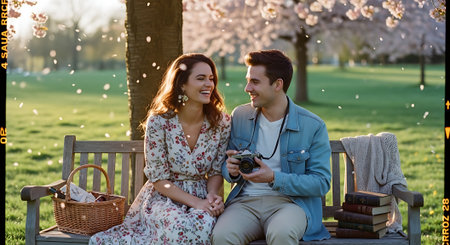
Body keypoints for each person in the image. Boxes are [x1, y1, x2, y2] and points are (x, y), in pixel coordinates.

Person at [90, 53, 231, 245]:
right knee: (176, 227)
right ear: (182, 84)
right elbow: (158, 179)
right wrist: (196, 203)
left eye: (211, 79)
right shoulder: (159, 122)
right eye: (201, 78)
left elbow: (216, 171)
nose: (209, 84)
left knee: (204, 225)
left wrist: (212, 197)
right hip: (163, 198)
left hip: (202, 195)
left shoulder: (221, 122)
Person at [211, 49, 331, 245]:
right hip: (244, 203)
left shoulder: (312, 125)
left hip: (290, 204)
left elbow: (321, 183)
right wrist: (231, 169)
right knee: (222, 236)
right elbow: (226, 165)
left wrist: (274, 178)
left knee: (281, 234)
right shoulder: (240, 116)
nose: (247, 88)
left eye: (255, 82)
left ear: (278, 84)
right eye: (248, 80)